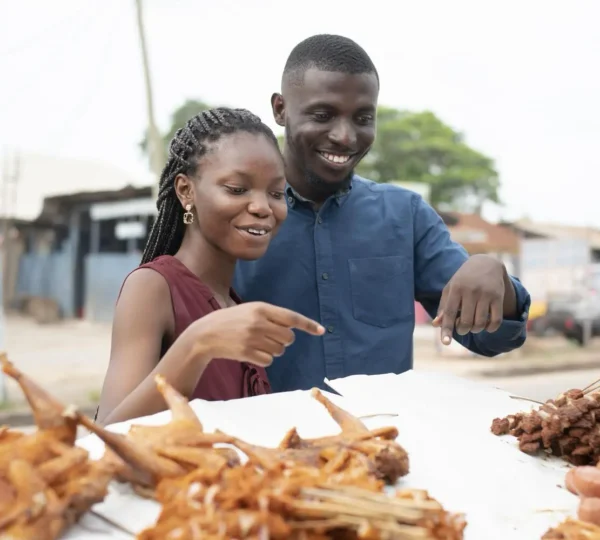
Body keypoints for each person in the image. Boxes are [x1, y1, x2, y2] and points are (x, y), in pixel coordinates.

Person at [234, 34, 531, 393]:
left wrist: (494, 276)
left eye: (363, 117)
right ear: (281, 109)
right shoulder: (233, 217)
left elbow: (489, 338)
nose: (345, 136)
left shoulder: (406, 217)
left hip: (384, 443)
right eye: (323, 115)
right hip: (266, 444)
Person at [96, 108, 324, 425]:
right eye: (237, 189)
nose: (262, 207)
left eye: (275, 192)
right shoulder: (152, 287)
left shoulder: (231, 301)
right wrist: (197, 344)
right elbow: (108, 435)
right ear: (186, 191)